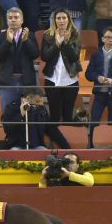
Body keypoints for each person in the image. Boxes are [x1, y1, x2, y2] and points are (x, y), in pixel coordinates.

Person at [40, 8, 81, 139]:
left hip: (70, 80)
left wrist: (67, 43)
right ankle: (55, 143)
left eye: (64, 18)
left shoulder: (75, 34)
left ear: (69, 20)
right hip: (52, 80)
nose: (61, 21)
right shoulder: (48, 35)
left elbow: (74, 57)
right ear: (54, 20)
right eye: (59, 18)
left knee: (68, 115)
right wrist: (57, 44)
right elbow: (45, 57)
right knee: (54, 116)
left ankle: (68, 145)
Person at [0, 7, 40, 110]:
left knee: (29, 115)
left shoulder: (30, 35)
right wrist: (7, 42)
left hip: (27, 81)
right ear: (7, 20)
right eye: (10, 18)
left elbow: (35, 55)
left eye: (16, 17)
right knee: (8, 115)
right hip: (7, 82)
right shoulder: (0, 37)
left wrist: (26, 41)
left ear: (22, 20)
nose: (13, 20)